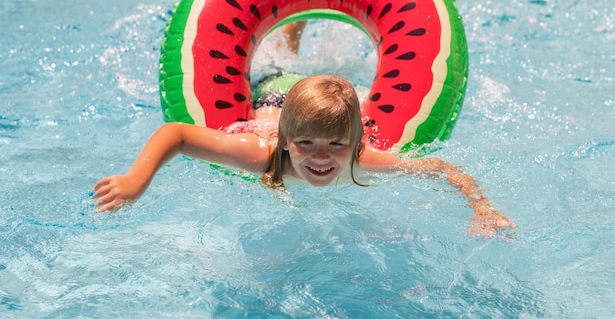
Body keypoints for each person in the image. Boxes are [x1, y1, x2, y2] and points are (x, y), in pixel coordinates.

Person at [93, 71, 514, 237]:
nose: (321, 158)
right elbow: (178, 134)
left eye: (337, 145)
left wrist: (481, 208)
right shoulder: (259, 152)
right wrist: (137, 180)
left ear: (356, 143)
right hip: (275, 93)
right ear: (286, 139)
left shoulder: (360, 159)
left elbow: (439, 168)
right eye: (306, 144)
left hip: (318, 106)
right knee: (280, 67)